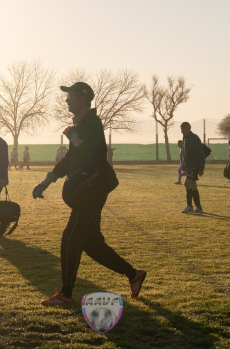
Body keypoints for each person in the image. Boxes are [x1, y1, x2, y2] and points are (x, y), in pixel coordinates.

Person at [32, 82, 146, 305]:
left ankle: (66, 294)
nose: (67, 100)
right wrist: (47, 180)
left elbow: (96, 154)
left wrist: (74, 136)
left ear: (82, 99)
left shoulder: (92, 122)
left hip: (92, 190)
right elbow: (70, 160)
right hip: (88, 190)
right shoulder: (81, 124)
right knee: (91, 243)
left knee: (71, 238)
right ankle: (134, 274)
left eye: (70, 96)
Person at [180, 122, 205, 213]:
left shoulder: (194, 138)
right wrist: (183, 164)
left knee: (187, 184)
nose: (182, 131)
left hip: (194, 166)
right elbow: (184, 152)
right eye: (181, 129)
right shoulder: (185, 138)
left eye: (183, 129)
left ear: (188, 129)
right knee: (193, 186)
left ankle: (189, 205)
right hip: (189, 166)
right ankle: (199, 207)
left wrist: (201, 168)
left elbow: (201, 154)